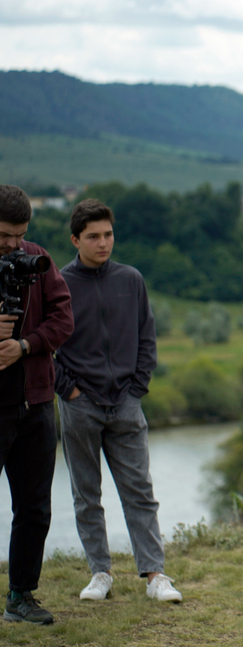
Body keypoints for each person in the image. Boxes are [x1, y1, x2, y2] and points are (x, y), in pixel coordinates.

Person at [54, 199, 181, 603]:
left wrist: (138, 387)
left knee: (139, 490)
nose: (103, 243)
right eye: (93, 236)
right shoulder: (58, 284)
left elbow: (148, 335)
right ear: (76, 239)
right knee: (86, 493)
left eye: (108, 234)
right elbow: (45, 348)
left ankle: (155, 575)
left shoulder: (131, 279)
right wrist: (69, 390)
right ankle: (100, 573)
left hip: (126, 401)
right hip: (79, 405)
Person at [0, 184, 73, 625]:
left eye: (19, 235)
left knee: (34, 507)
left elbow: (63, 319)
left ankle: (21, 596)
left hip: (36, 402)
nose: (13, 245)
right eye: (5, 235)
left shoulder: (37, 259)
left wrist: (24, 345)